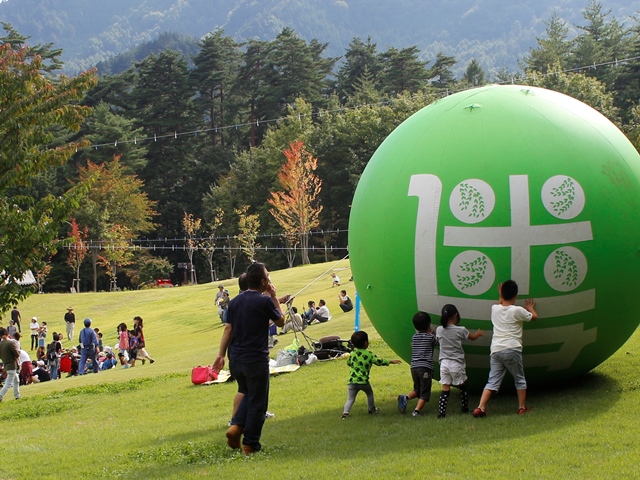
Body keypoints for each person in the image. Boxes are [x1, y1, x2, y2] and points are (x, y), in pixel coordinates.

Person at [213, 262, 285, 455]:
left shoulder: (235, 301)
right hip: (255, 359)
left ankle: (236, 427)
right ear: (263, 281)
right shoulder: (264, 301)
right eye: (268, 277)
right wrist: (275, 297)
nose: (269, 280)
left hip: (236, 359)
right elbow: (281, 320)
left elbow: (228, 329)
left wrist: (220, 355)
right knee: (258, 402)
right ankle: (250, 444)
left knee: (247, 393)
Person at [473, 280, 537, 418]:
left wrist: (501, 294)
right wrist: (530, 307)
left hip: (496, 350)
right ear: (516, 295)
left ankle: (480, 407)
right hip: (512, 348)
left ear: (501, 295)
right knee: (520, 379)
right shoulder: (518, 311)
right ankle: (521, 407)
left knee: (492, 381)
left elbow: (500, 304)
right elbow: (534, 317)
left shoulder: (494, 308)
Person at [435, 304, 485, 417]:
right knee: (463, 385)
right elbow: (472, 337)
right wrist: (478, 334)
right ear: (456, 315)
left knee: (445, 387)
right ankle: (465, 407)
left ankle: (441, 412)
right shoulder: (460, 330)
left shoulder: (439, 329)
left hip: (444, 363)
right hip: (456, 363)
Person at [342, 330, 401, 419]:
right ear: (366, 343)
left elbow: (349, 363)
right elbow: (378, 361)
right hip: (363, 382)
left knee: (350, 399)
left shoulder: (353, 354)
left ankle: (345, 413)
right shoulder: (369, 354)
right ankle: (371, 409)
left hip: (352, 381)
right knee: (369, 393)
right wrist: (390, 361)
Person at [397, 311, 438, 417]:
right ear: (429, 324)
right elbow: (438, 343)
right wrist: (433, 334)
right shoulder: (430, 337)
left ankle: (405, 397)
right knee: (425, 392)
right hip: (425, 368)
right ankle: (416, 411)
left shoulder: (414, 337)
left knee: (418, 389)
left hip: (414, 367)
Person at [0, 327, 21, 402]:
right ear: (6, 334)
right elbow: (17, 354)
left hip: (6, 365)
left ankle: (17, 396)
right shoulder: (10, 343)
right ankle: (0, 395)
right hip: (12, 365)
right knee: (8, 383)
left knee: (16, 380)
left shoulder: (1, 344)